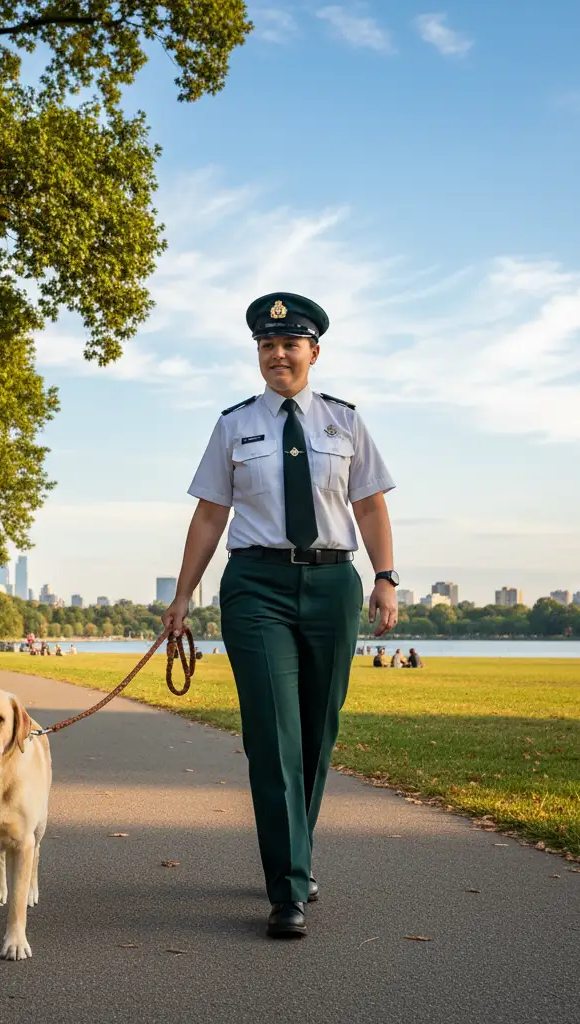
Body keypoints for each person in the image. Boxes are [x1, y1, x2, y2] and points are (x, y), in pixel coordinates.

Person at [162, 291, 397, 940]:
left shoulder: (345, 422)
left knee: (317, 734)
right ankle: (287, 887)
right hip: (255, 586)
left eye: (290, 344)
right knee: (272, 735)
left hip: (332, 584)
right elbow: (210, 514)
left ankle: (297, 852)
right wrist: (182, 596)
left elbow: (370, 505)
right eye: (267, 345)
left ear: (314, 352)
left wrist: (384, 577)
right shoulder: (234, 425)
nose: (278, 355)